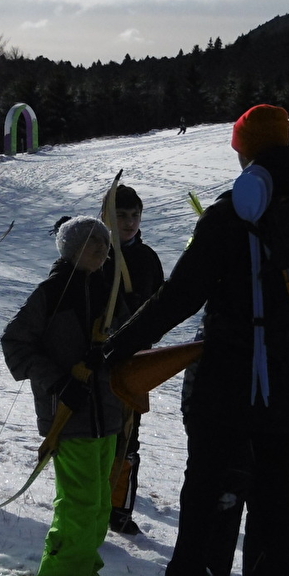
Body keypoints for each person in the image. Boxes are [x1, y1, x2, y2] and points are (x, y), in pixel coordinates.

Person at [104, 104, 289, 576]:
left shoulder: (228, 217)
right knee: (275, 493)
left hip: (225, 380)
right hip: (288, 383)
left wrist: (119, 349)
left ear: (246, 150)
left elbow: (177, 298)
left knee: (203, 487)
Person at [1, 216, 123, 576]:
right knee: (79, 501)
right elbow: (16, 344)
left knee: (101, 500)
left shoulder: (110, 290)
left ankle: (84, 566)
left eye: (105, 243)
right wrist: (60, 381)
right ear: (71, 249)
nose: (102, 250)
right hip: (69, 413)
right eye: (92, 243)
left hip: (109, 411)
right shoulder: (51, 292)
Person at [206, 366, 289, 576]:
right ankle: (223, 572)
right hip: (256, 414)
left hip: (267, 415)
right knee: (236, 496)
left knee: (262, 501)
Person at [106, 185, 165, 536]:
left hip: (133, 363)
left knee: (128, 438)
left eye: (134, 216)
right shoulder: (94, 252)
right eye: (121, 216)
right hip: (96, 361)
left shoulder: (147, 259)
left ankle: (120, 509)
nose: (129, 223)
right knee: (95, 435)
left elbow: (159, 311)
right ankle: (92, 503)